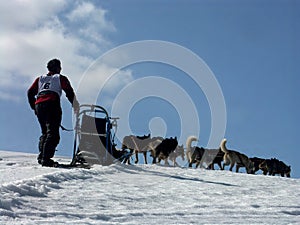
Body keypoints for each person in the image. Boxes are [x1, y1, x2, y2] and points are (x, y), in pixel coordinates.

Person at [27, 59, 79, 167]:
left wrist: (34, 108)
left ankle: (42, 156)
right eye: (59, 67)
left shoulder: (40, 79)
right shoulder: (60, 78)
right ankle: (46, 159)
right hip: (52, 103)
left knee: (45, 132)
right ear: (57, 68)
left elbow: (30, 92)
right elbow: (69, 91)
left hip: (39, 104)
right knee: (53, 133)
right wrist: (75, 106)